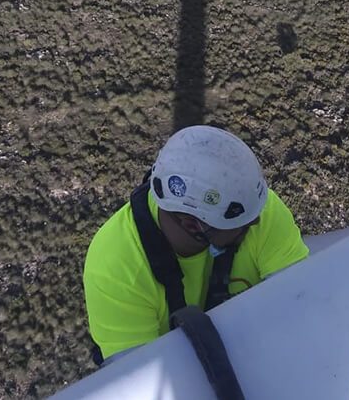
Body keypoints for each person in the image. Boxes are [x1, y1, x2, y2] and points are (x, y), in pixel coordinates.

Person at [83, 125, 309, 364]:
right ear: (194, 226)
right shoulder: (115, 269)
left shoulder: (251, 207)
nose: (256, 222)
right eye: (243, 224)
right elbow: (142, 381)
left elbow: (303, 306)